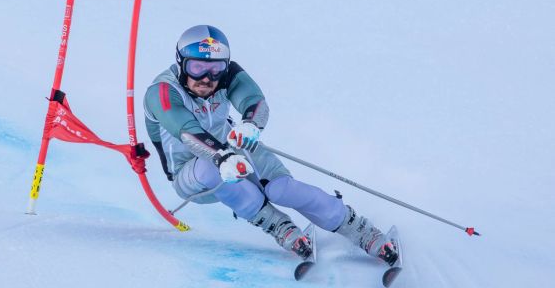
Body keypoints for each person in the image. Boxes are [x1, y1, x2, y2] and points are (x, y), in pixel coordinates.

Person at [143, 24, 398, 265]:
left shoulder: (227, 76)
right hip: (192, 176)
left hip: (232, 151)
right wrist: (222, 157)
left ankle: (361, 230)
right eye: (198, 68)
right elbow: (187, 130)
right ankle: (277, 224)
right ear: (181, 63)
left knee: (281, 189)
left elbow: (254, 101)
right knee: (212, 170)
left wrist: (250, 126)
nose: (208, 79)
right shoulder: (162, 92)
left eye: (216, 69)